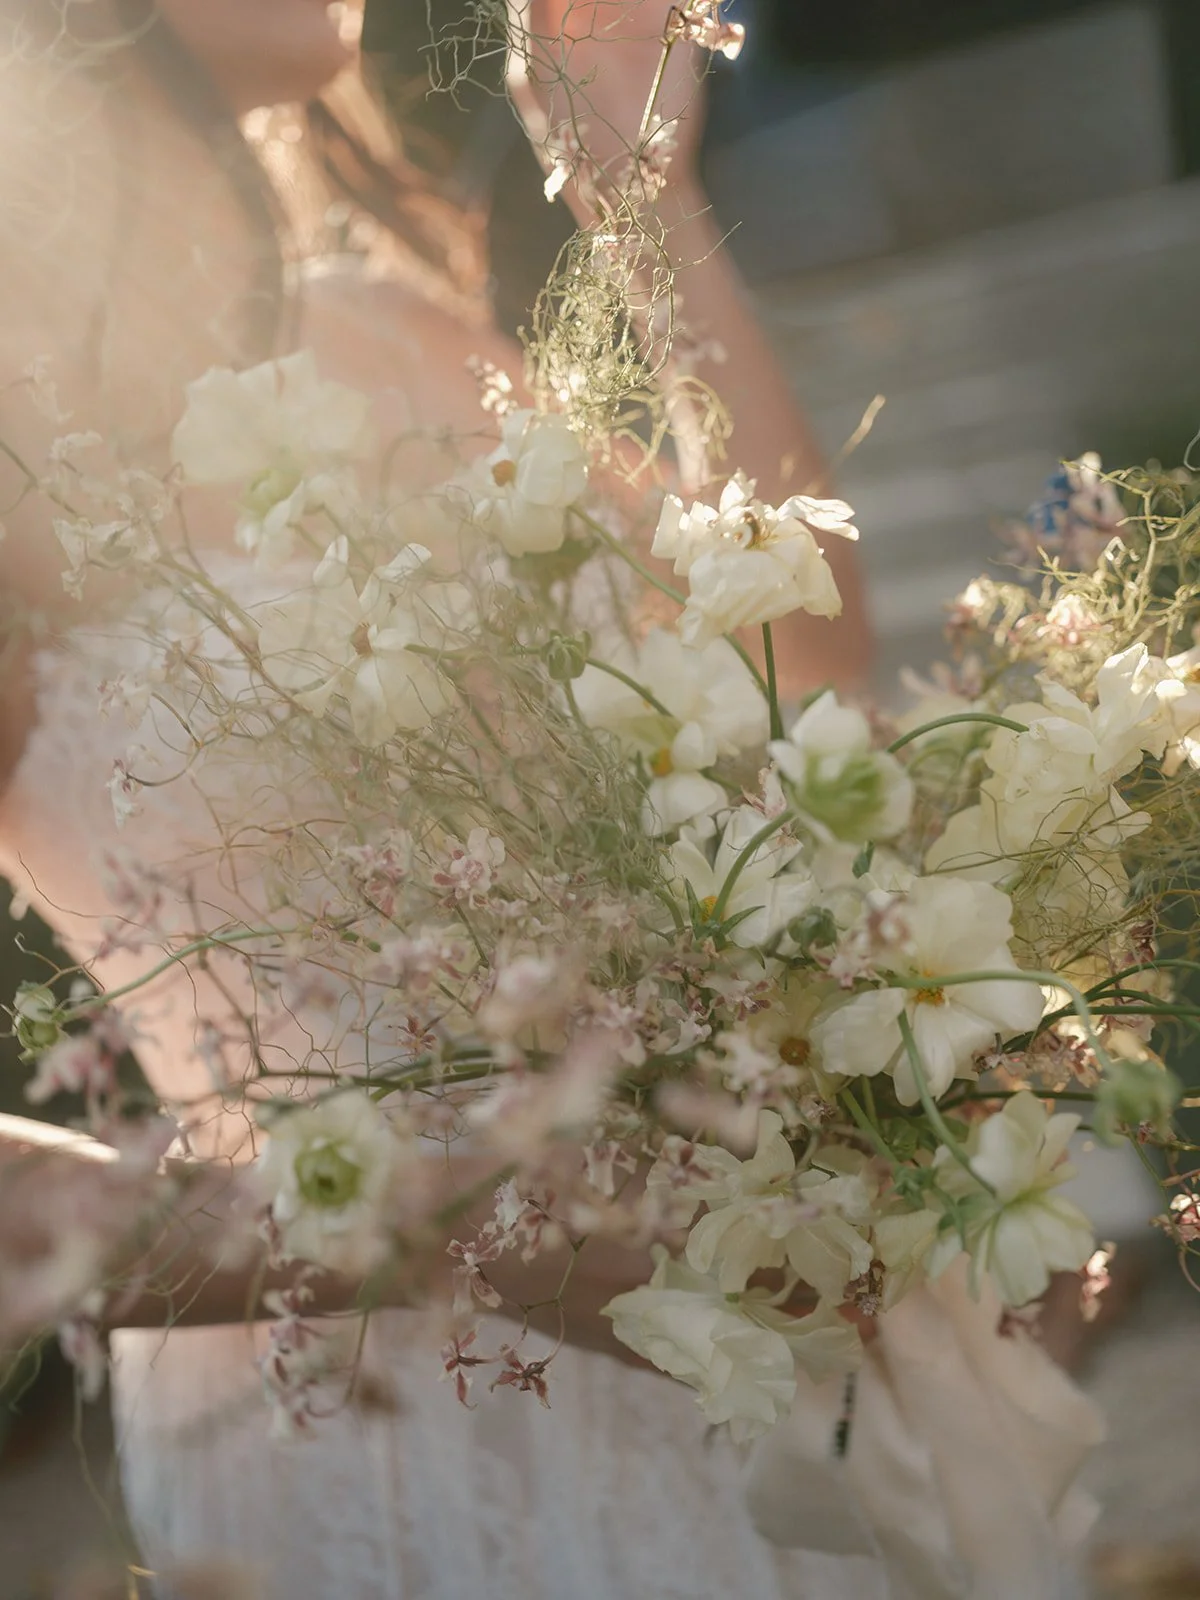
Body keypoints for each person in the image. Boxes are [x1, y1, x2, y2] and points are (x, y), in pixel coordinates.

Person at [0, 5, 1097, 1598]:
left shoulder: (387, 328)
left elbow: (804, 660)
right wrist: (443, 1224)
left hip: (708, 1354)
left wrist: (642, 212)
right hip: (362, 1442)